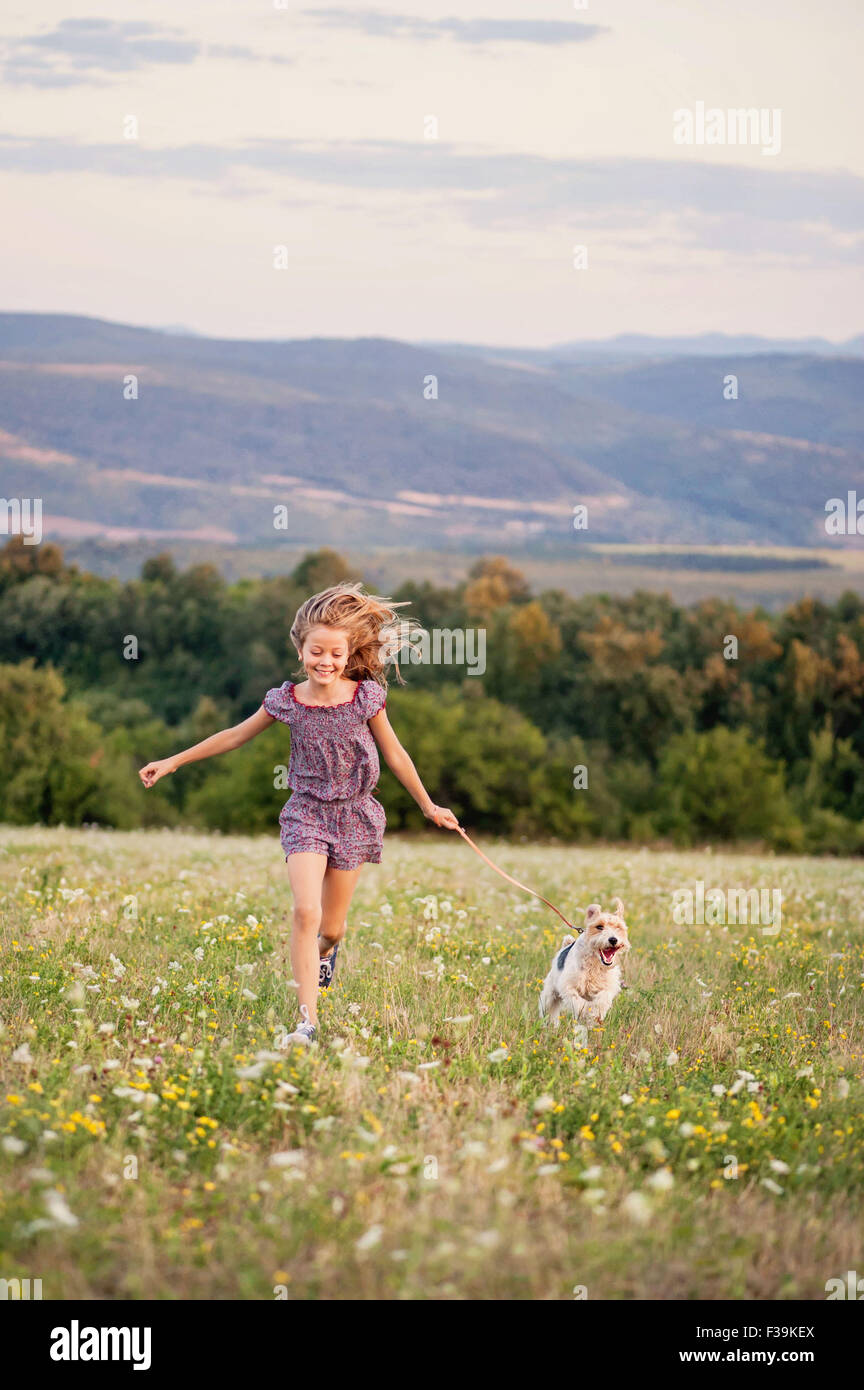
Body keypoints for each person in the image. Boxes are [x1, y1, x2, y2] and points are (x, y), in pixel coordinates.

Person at [139, 582, 459, 1044]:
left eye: (334, 653)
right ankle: (306, 1023)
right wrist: (173, 760)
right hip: (306, 812)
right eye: (316, 652)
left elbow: (396, 755)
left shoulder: (365, 698)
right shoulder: (287, 700)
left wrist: (429, 805)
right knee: (305, 912)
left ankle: (327, 953)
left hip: (354, 815)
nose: (324, 662)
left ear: (349, 655)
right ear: (301, 649)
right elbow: (233, 735)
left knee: (331, 928)